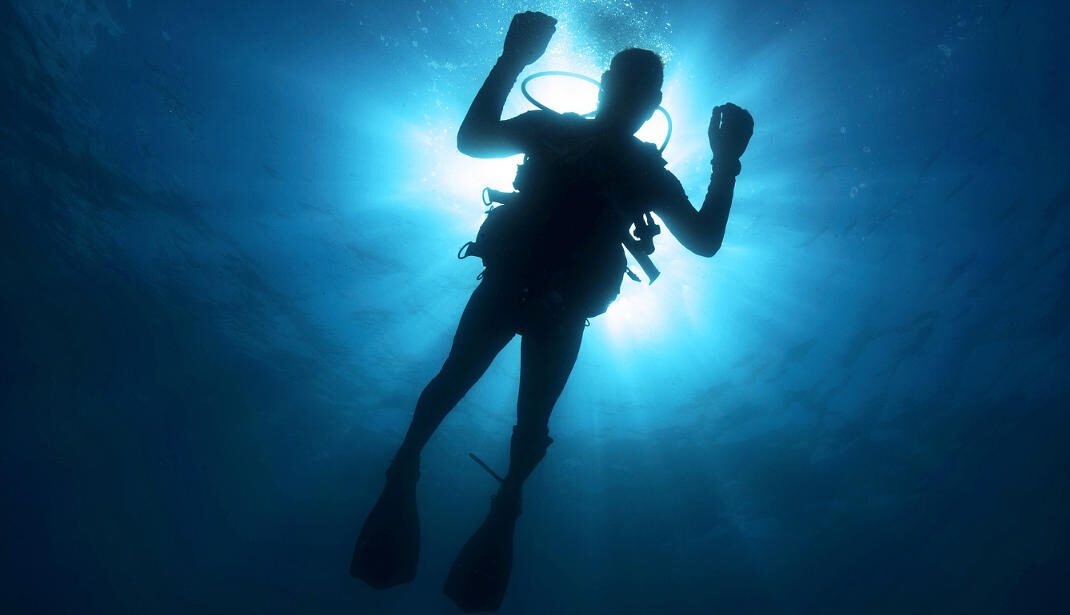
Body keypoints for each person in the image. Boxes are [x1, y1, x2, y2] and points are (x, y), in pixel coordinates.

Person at [351, 11, 753, 613]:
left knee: (520, 418)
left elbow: (703, 241)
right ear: (608, 85)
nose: (632, 94)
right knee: (457, 385)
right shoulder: (559, 132)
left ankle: (501, 498)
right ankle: (411, 468)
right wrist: (511, 59)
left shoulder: (641, 168)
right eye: (625, 79)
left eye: (643, 88)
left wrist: (726, 161)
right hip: (520, 286)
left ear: (653, 103)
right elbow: (473, 141)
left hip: (559, 309)